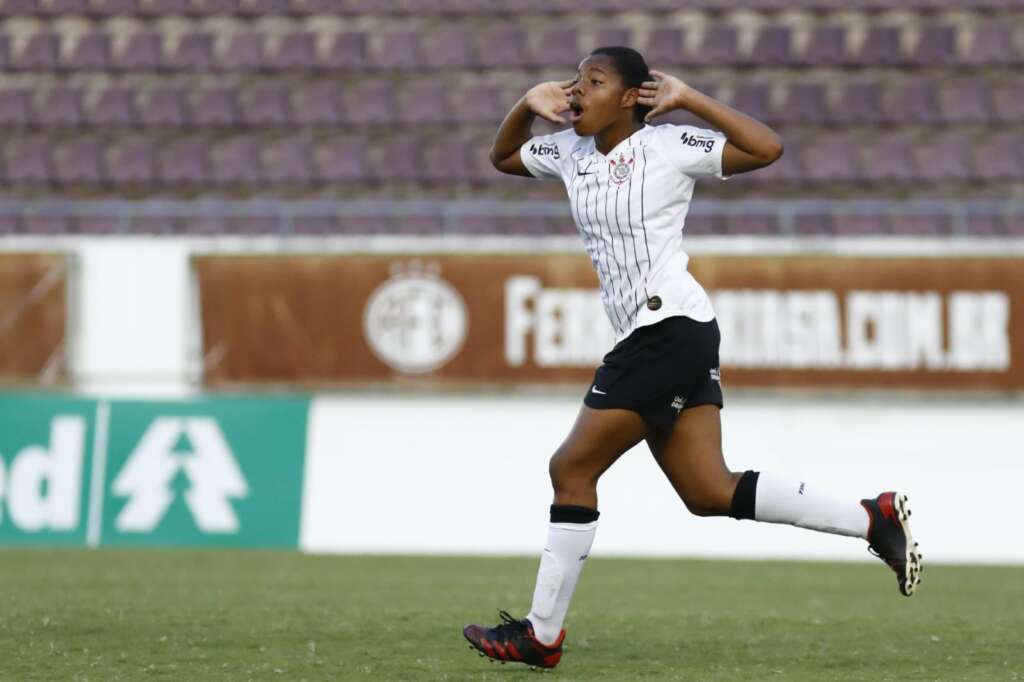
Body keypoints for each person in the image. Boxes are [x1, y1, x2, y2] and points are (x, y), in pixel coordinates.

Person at [462, 46, 920, 671]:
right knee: (709, 491)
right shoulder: (569, 153)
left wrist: (691, 97)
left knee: (571, 468)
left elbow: (767, 148)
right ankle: (871, 519)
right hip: (664, 336)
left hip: (667, 330)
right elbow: (503, 156)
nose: (577, 91)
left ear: (630, 96)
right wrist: (525, 103)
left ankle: (541, 636)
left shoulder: (670, 145)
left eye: (593, 81)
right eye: (575, 80)